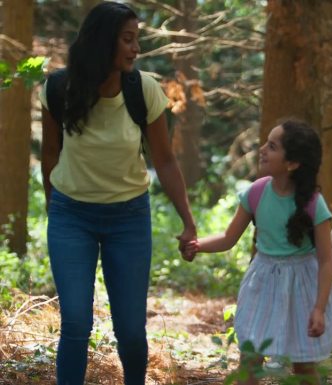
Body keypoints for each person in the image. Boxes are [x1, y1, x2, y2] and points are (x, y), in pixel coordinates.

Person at [39, 3, 196, 384]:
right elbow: (50, 155)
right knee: (75, 321)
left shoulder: (143, 89)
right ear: (102, 41)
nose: (135, 49)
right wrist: (55, 209)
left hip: (128, 219)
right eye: (128, 39)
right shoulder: (59, 88)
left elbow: (166, 161)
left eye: (136, 39)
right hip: (71, 218)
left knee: (130, 330)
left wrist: (188, 222)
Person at [183, 121, 332, 385]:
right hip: (262, 281)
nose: (261, 149)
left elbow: (326, 260)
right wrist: (198, 245)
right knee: (250, 359)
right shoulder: (256, 192)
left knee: (303, 365)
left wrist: (319, 308)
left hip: (301, 285)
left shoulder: (312, 203)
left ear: (292, 163)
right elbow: (229, 238)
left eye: (272, 146)